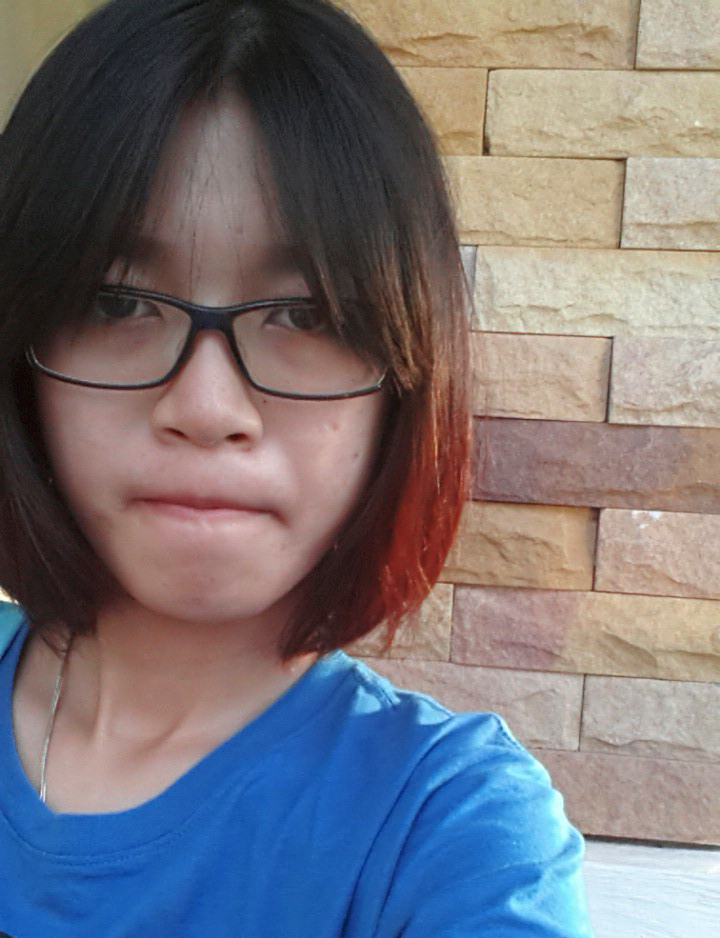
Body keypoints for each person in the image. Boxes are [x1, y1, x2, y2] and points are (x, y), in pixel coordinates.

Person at [0, 0, 592, 935]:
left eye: (305, 314)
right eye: (116, 302)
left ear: (404, 376)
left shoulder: (449, 831)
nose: (206, 408)